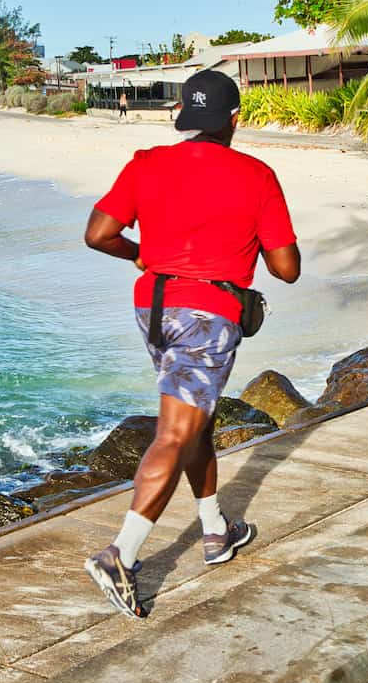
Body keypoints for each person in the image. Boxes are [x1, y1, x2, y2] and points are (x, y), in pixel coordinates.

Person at [82, 70, 300, 618]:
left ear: (183, 116)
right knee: (178, 428)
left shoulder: (147, 163)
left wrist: (140, 251)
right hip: (208, 313)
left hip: (152, 307)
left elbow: (97, 234)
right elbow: (286, 268)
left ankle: (214, 530)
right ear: (234, 119)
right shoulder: (256, 175)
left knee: (194, 417)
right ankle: (120, 556)